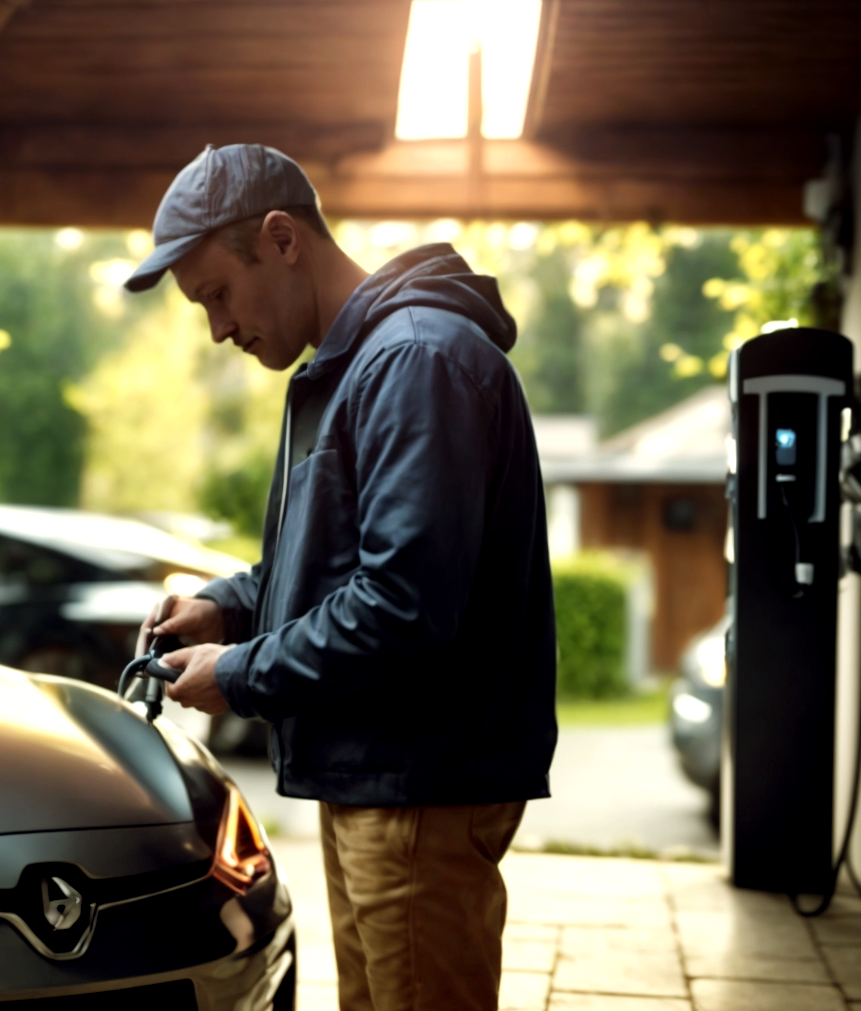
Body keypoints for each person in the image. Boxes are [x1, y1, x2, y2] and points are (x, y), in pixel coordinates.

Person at [126, 144, 556, 1011]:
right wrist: (225, 605)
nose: (216, 327)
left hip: (416, 785)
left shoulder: (413, 362)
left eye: (217, 294)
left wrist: (239, 675)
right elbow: (337, 560)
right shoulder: (360, 367)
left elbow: (401, 604)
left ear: (282, 239)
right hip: (379, 777)